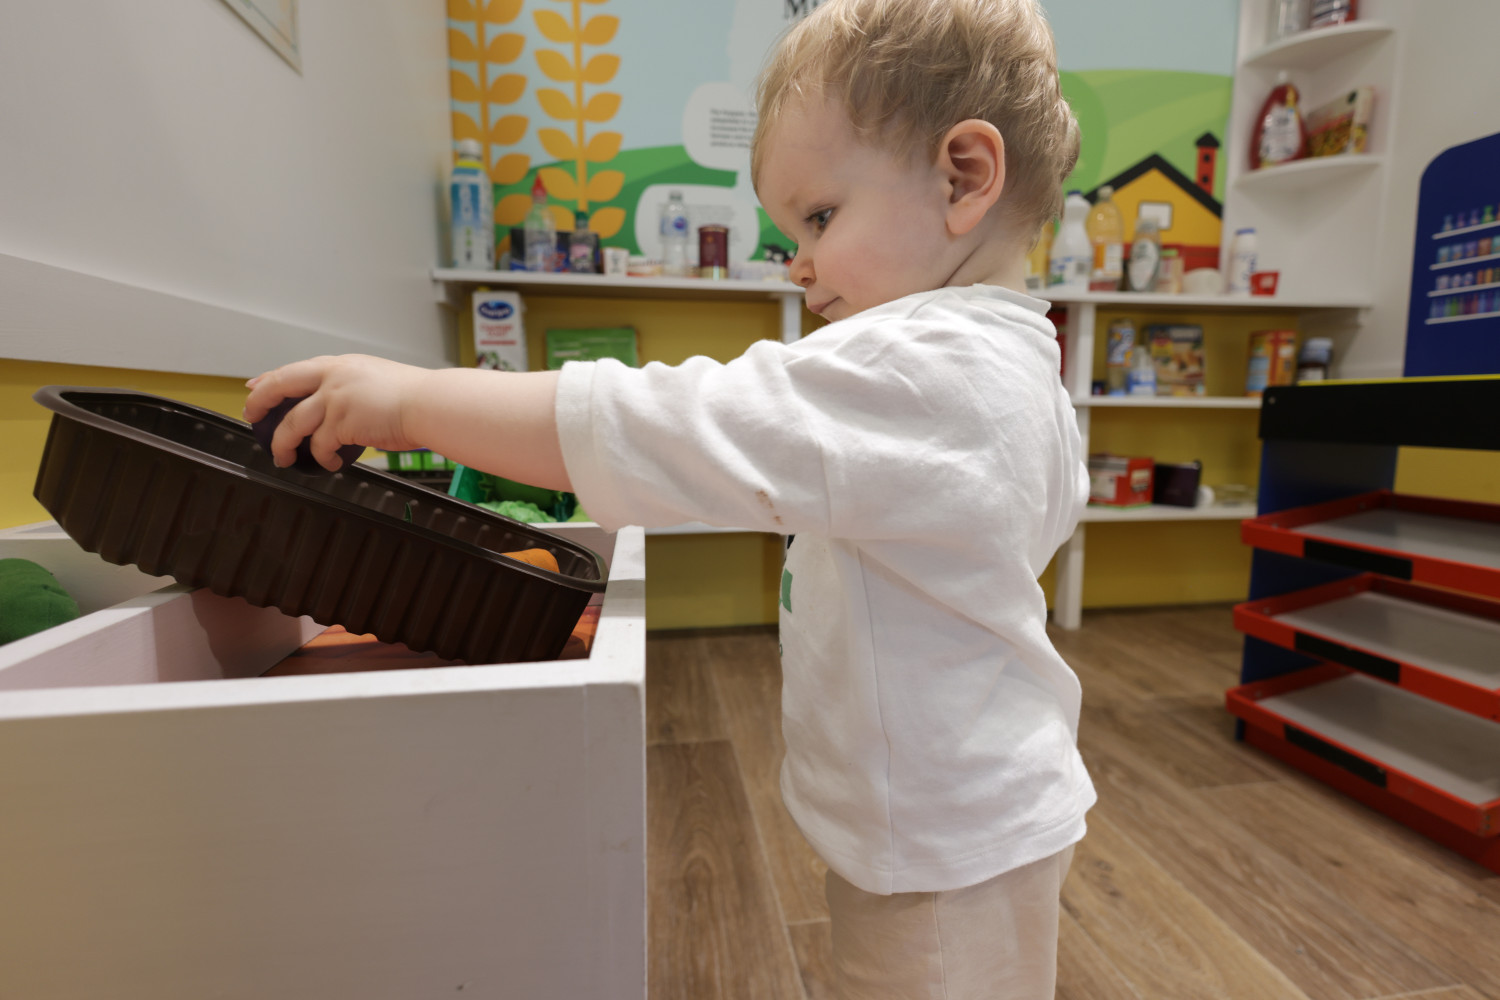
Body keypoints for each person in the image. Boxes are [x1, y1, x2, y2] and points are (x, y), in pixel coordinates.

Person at [244, 0, 1093, 995]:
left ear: (965, 177)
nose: (800, 262)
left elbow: (667, 424)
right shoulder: (1009, 360)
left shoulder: (930, 367)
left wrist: (412, 403)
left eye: (821, 216)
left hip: (947, 847)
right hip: (961, 819)